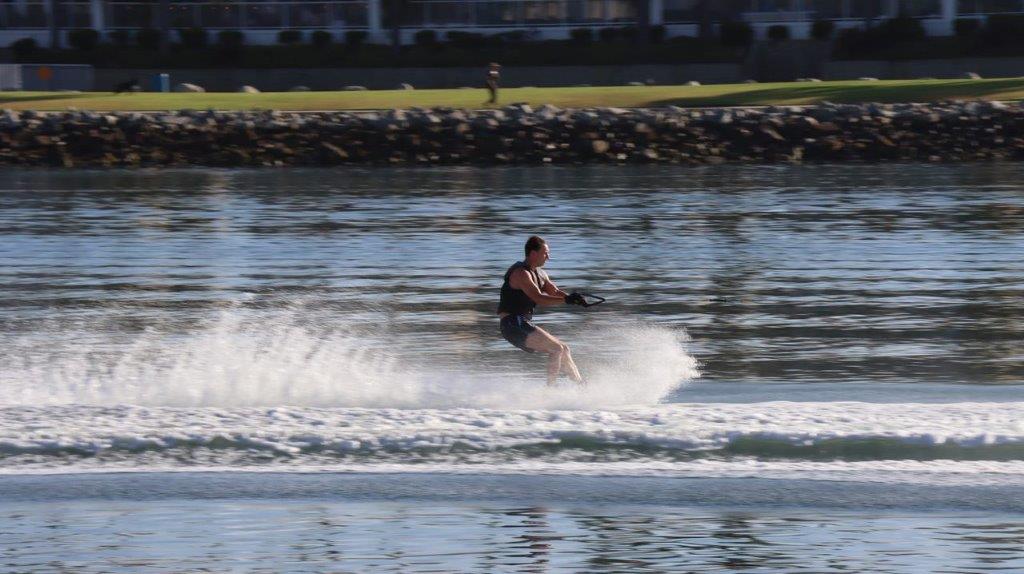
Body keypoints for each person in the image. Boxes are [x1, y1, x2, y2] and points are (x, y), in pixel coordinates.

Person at [497, 235, 587, 386]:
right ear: (533, 253)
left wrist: (573, 299)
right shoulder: (520, 273)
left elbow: (554, 291)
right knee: (556, 349)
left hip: (521, 323)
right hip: (511, 325)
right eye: (545, 253)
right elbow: (538, 298)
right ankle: (550, 390)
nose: (548, 257)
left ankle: (581, 385)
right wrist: (566, 300)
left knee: (564, 348)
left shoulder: (540, 274)